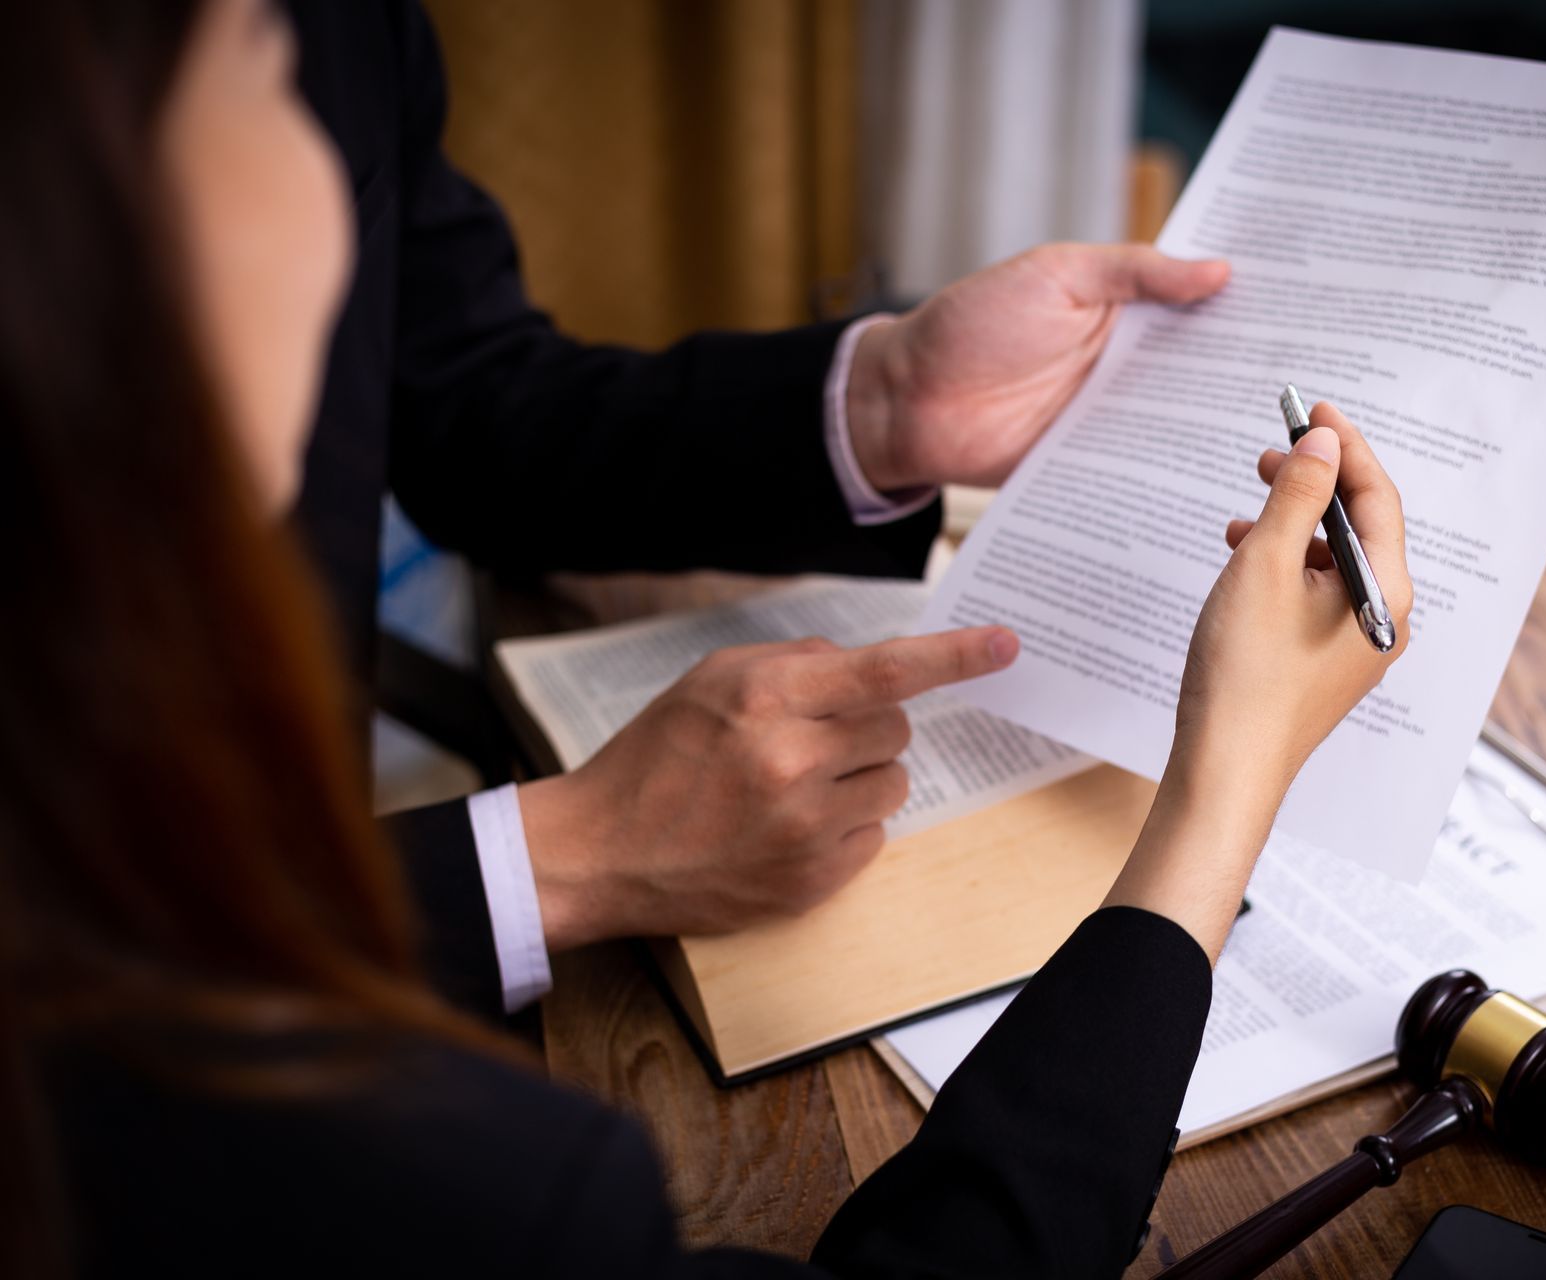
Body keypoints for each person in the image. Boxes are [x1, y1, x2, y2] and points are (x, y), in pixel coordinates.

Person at [0, 1, 1410, 1276]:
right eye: (257, 65)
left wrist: (882, 403)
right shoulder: (461, 1187)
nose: (325, 171)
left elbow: (461, 393)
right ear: (72, 228)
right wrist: (1222, 797)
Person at [284, 0, 1243, 1019]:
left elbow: (467, 405)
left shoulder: (347, 23)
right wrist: (562, 852)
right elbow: (94, 954)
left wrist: (889, 399)